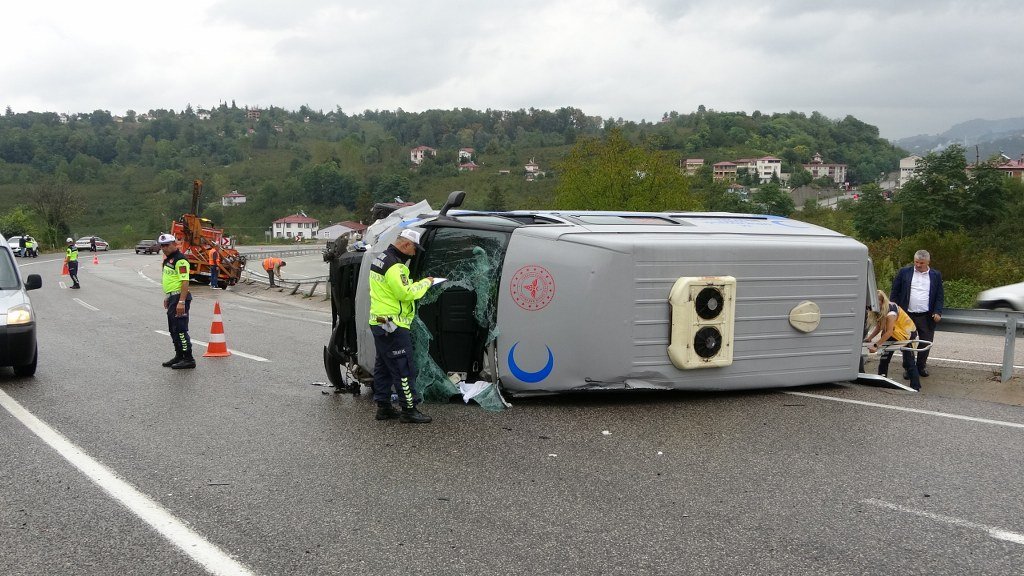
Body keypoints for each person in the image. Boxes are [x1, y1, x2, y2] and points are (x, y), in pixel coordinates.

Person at [368, 228, 433, 423]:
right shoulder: (395, 267)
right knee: (403, 367)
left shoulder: (381, 258)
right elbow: (405, 293)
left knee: (383, 366)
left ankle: (383, 407)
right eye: (414, 249)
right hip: (392, 324)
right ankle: (409, 410)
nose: (414, 254)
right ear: (406, 245)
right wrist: (426, 283)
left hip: (380, 321)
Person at [890, 249, 943, 378]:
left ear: (928, 262)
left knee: (926, 342)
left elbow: (939, 296)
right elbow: (895, 292)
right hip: (907, 315)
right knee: (907, 342)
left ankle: (921, 366)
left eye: (921, 263)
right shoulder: (904, 272)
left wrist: (937, 311)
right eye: (916, 262)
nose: (918, 265)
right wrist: (894, 310)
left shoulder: (935, 275)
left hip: (926, 316)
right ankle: (909, 368)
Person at [865, 289, 921, 391]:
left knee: (909, 362)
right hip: (894, 332)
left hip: (906, 334)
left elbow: (889, 332)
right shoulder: (880, 309)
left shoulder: (891, 312)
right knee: (884, 358)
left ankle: (915, 387)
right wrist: (869, 338)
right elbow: (880, 326)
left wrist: (876, 345)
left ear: (882, 301)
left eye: (876, 302)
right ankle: (882, 380)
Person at [158, 233, 195, 369]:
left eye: (167, 245)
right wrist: (168, 297)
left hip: (180, 298)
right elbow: (170, 280)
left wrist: (181, 302)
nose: (164, 248)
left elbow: (185, 281)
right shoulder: (168, 259)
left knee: (180, 329)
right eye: (162, 246)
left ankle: (188, 358)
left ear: (174, 244)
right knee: (173, 329)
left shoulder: (180, 260)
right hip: (172, 297)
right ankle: (179, 355)